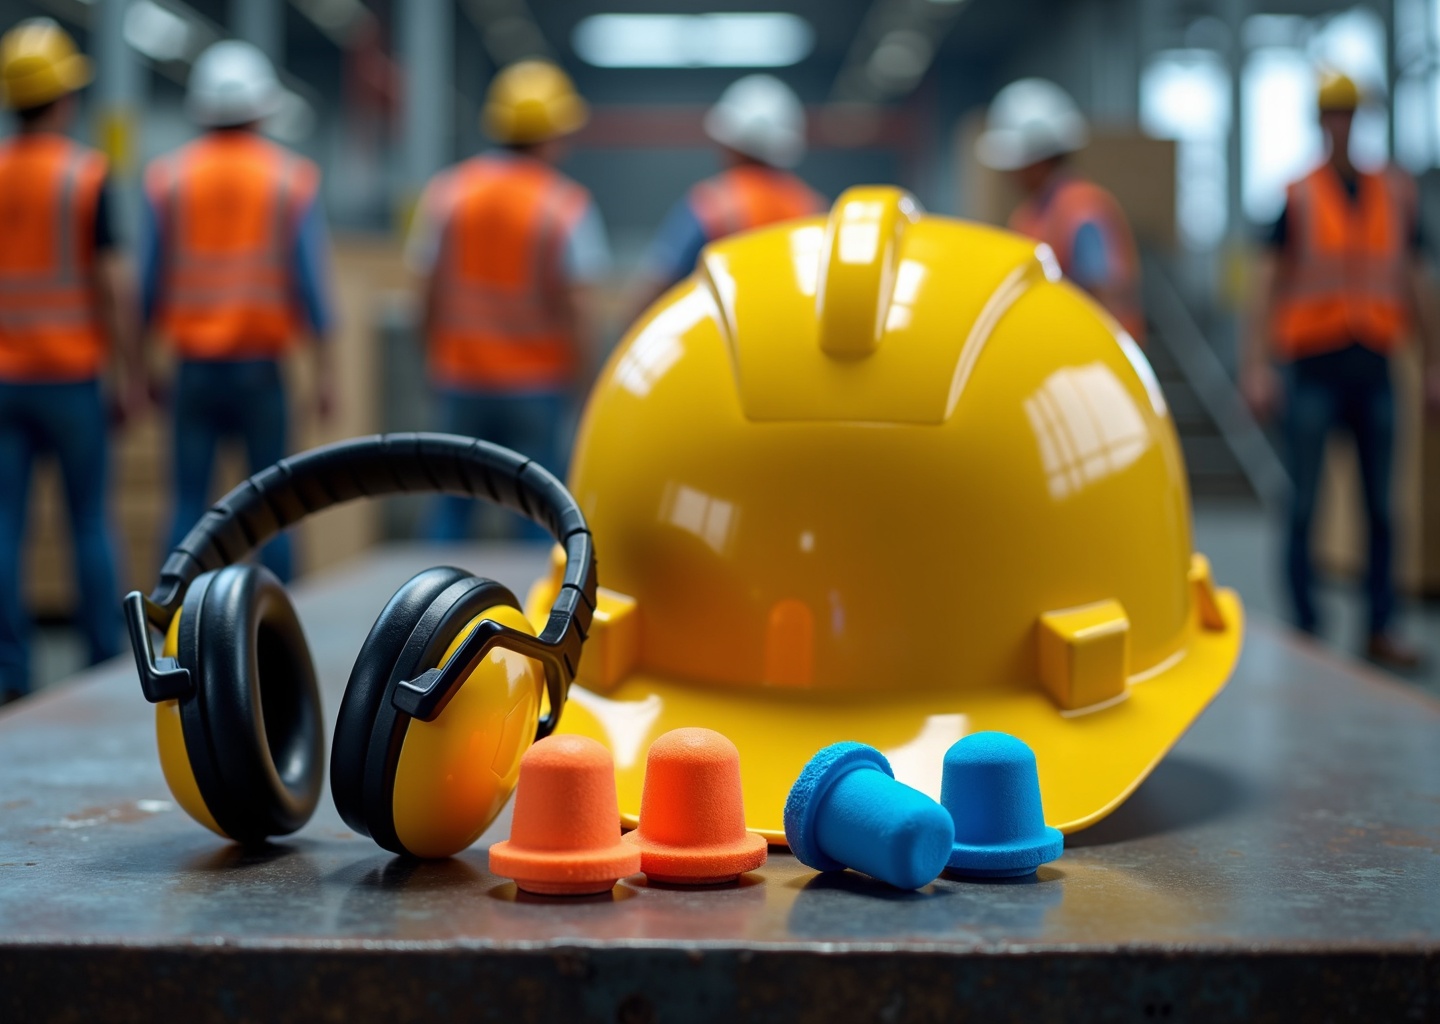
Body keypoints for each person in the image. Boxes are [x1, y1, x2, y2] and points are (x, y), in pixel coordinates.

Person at [1242, 72, 1440, 670]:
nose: (1342, 124)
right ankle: (1305, 628)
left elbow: (1417, 282)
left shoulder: (1396, 195)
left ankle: (1381, 626)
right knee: (1302, 503)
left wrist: (1432, 363)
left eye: (1350, 114)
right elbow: (1265, 285)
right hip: (1311, 368)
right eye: (1333, 114)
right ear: (1320, 121)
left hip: (1374, 366)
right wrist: (1255, 367)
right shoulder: (1298, 195)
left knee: (1382, 508)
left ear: (1361, 120)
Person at [143, 41, 336, 583]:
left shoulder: (168, 180)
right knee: (272, 509)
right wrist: (325, 374)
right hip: (260, 369)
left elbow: (146, 288)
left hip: (193, 368)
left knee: (187, 506)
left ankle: (173, 627)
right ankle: (282, 631)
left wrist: (139, 369)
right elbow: (312, 289)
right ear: (263, 107)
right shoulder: (288, 179)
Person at [406, 60, 610, 541]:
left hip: (460, 377)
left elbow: (425, 293)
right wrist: (586, 389)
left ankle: (427, 611)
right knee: (538, 515)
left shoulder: (448, 193)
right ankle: (537, 617)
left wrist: (431, 363)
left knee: (452, 508)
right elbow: (580, 309)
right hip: (536, 384)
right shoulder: (565, 205)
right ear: (554, 132)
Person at [0, 20, 140, 705]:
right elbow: (114, 284)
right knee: (87, 520)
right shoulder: (84, 175)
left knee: (4, 524)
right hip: (71, 376)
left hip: (4, 380)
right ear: (61, 98)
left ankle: (9, 672)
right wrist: (131, 371)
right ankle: (100, 660)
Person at [630, 74, 822, 316]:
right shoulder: (812, 208)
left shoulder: (711, 204)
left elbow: (656, 285)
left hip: (721, 347)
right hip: (789, 345)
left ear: (728, 143)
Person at [975, 77, 1145, 343]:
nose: (1009, 175)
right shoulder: (1033, 213)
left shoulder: (1082, 210)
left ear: (1037, 161)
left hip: (1090, 358)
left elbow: (1105, 294)